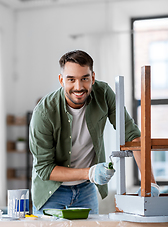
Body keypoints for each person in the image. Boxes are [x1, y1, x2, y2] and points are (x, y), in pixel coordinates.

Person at [29, 50, 159, 216]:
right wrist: (89, 172)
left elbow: (132, 135)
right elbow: (45, 169)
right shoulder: (44, 112)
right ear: (61, 80)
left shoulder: (103, 93)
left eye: (85, 78)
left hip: (86, 189)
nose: (79, 87)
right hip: (51, 192)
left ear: (93, 77)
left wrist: (150, 183)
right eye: (71, 79)